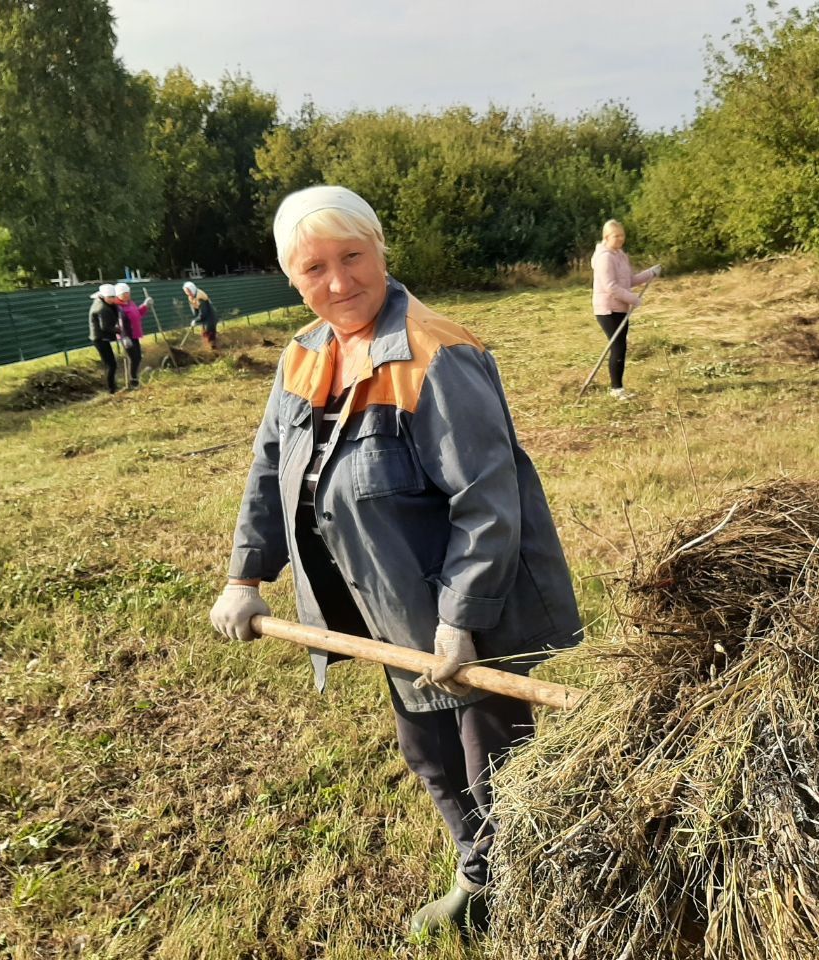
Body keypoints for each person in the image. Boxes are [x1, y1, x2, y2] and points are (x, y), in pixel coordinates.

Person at [207, 185, 583, 936]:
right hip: (387, 606)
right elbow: (269, 472)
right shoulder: (303, 357)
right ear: (290, 277)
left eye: (353, 257)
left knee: (494, 765)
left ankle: (533, 893)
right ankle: (485, 878)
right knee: (430, 754)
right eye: (315, 268)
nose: (339, 283)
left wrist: (460, 619)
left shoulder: (436, 352)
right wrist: (245, 576)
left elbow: (487, 499)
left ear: (381, 249)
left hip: (473, 606)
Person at [591, 219, 660, 399]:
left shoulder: (620, 255)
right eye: (616, 236)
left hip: (620, 307)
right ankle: (616, 390)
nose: (621, 239)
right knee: (618, 347)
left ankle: (618, 388)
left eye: (622, 235)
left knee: (621, 346)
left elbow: (629, 280)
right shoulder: (604, 258)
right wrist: (633, 299)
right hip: (607, 309)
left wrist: (650, 273)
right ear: (606, 237)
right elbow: (611, 287)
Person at [113, 281, 153, 389]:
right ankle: (133, 380)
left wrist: (145, 306)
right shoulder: (117, 307)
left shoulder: (130, 303)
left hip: (134, 334)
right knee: (134, 357)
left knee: (138, 357)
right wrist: (123, 336)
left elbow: (138, 314)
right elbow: (118, 323)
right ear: (118, 295)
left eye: (128, 292)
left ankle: (134, 377)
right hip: (126, 336)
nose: (127, 295)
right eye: (124, 293)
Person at [87, 283, 122, 394]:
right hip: (100, 339)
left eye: (113, 297)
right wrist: (120, 330)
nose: (113, 299)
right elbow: (106, 327)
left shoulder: (102, 303)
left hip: (102, 338)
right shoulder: (102, 308)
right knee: (111, 364)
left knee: (110, 364)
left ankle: (112, 385)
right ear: (103, 296)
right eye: (110, 297)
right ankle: (111, 389)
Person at [183, 280, 218, 349]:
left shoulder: (200, 297)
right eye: (186, 292)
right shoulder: (191, 297)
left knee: (210, 334)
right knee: (204, 333)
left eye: (189, 291)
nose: (188, 293)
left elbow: (203, 313)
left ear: (192, 289)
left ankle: (215, 350)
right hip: (203, 317)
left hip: (210, 316)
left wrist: (196, 320)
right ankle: (208, 348)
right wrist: (196, 318)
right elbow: (195, 310)